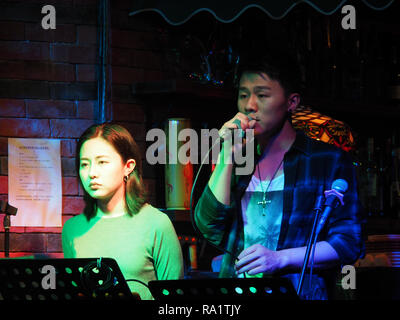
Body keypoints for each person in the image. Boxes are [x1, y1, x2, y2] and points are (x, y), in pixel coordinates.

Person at [194, 51, 365, 299]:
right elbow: (208, 227)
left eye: (262, 95)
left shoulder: (326, 161)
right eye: (243, 95)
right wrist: (225, 157)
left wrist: (279, 259)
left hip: (298, 293)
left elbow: (348, 242)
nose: (249, 105)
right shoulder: (238, 160)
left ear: (291, 102)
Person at [62, 123, 184, 300]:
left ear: (128, 166)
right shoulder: (72, 229)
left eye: (102, 162)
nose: (92, 173)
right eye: (84, 164)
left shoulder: (156, 223)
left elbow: (173, 301)